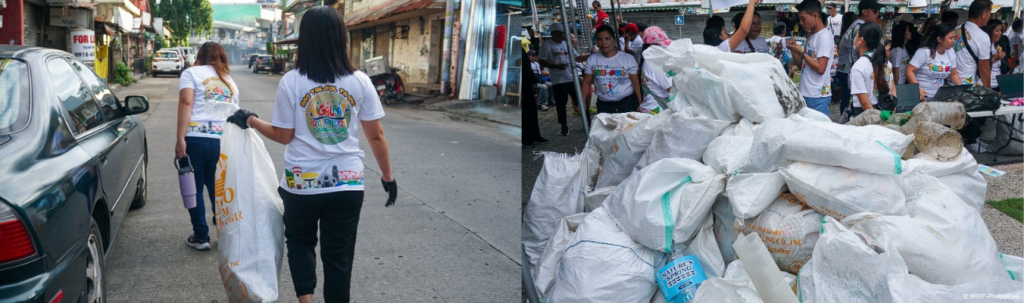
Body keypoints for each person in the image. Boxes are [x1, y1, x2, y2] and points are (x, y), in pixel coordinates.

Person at [224, 7, 397, 303]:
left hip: (301, 185)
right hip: (347, 184)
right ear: (341, 38)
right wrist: (388, 176)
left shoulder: (292, 81)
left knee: (301, 244)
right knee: (339, 258)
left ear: (305, 40)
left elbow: (283, 135)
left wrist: (250, 119)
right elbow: (376, 135)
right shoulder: (359, 81)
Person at [175, 42, 238, 251]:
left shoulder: (190, 73)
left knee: (194, 189)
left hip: (195, 139)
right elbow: (234, 114)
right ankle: (224, 231)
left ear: (200, 55)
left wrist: (180, 138)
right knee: (218, 187)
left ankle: (201, 236)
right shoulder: (229, 81)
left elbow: (186, 103)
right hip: (221, 141)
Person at [581, 25, 642, 114]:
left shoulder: (627, 59)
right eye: (600, 39)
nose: (603, 42)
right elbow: (586, 83)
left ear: (614, 40)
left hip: (627, 104)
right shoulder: (592, 59)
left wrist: (641, 104)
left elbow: (636, 83)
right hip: (604, 106)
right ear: (597, 42)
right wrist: (582, 102)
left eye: (607, 39)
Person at [836, 0, 881, 121]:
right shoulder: (860, 28)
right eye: (875, 11)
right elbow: (859, 51)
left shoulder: (856, 24)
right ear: (864, 11)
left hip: (846, 69)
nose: (877, 14)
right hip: (852, 70)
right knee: (855, 102)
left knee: (848, 100)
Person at [788, 0, 835, 116]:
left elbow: (820, 69)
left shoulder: (824, 36)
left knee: (820, 132)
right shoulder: (811, 37)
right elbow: (803, 66)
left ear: (814, 16)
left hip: (818, 96)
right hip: (806, 93)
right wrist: (794, 50)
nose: (801, 22)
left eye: (803, 19)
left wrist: (803, 53)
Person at [539, 23, 585, 136]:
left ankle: (587, 121)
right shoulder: (546, 46)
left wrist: (590, 56)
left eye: (564, 33)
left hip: (572, 78)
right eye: (561, 33)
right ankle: (564, 125)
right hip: (558, 81)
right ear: (554, 34)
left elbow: (577, 58)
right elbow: (542, 61)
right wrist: (556, 66)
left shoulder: (567, 44)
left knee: (581, 101)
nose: (563, 35)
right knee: (561, 106)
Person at [907, 23, 963, 100]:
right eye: (950, 38)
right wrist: (918, 89)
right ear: (939, 39)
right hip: (923, 97)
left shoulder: (951, 52)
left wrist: (962, 89)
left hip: (939, 96)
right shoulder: (924, 52)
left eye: (954, 38)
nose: (953, 41)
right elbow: (909, 71)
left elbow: (953, 74)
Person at [847, 22, 893, 116]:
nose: (854, 39)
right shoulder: (886, 62)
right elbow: (893, 89)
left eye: (856, 36)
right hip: (885, 111)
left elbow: (864, 102)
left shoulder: (859, 67)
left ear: (861, 40)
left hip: (865, 115)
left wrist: (876, 121)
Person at [953, 0, 994, 87]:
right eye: (989, 13)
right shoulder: (983, 37)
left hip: (951, 81)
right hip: (967, 83)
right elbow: (984, 69)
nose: (989, 16)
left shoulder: (956, 30)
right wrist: (988, 90)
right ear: (983, 14)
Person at [640, 26, 673, 113]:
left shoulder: (648, 60)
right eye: (662, 46)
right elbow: (671, 90)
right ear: (652, 45)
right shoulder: (654, 64)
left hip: (651, 107)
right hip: (657, 110)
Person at [523, 47, 548, 148]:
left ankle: (535, 135)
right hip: (524, 87)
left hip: (529, 85)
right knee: (525, 115)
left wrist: (534, 81)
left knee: (532, 113)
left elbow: (528, 69)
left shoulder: (522, 52)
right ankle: (526, 139)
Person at [985, 19, 1007, 89]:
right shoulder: (984, 46)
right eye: (997, 31)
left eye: (1001, 31)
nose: (1000, 33)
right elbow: (982, 67)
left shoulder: (996, 46)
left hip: (997, 84)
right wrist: (995, 58)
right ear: (989, 31)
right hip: (987, 85)